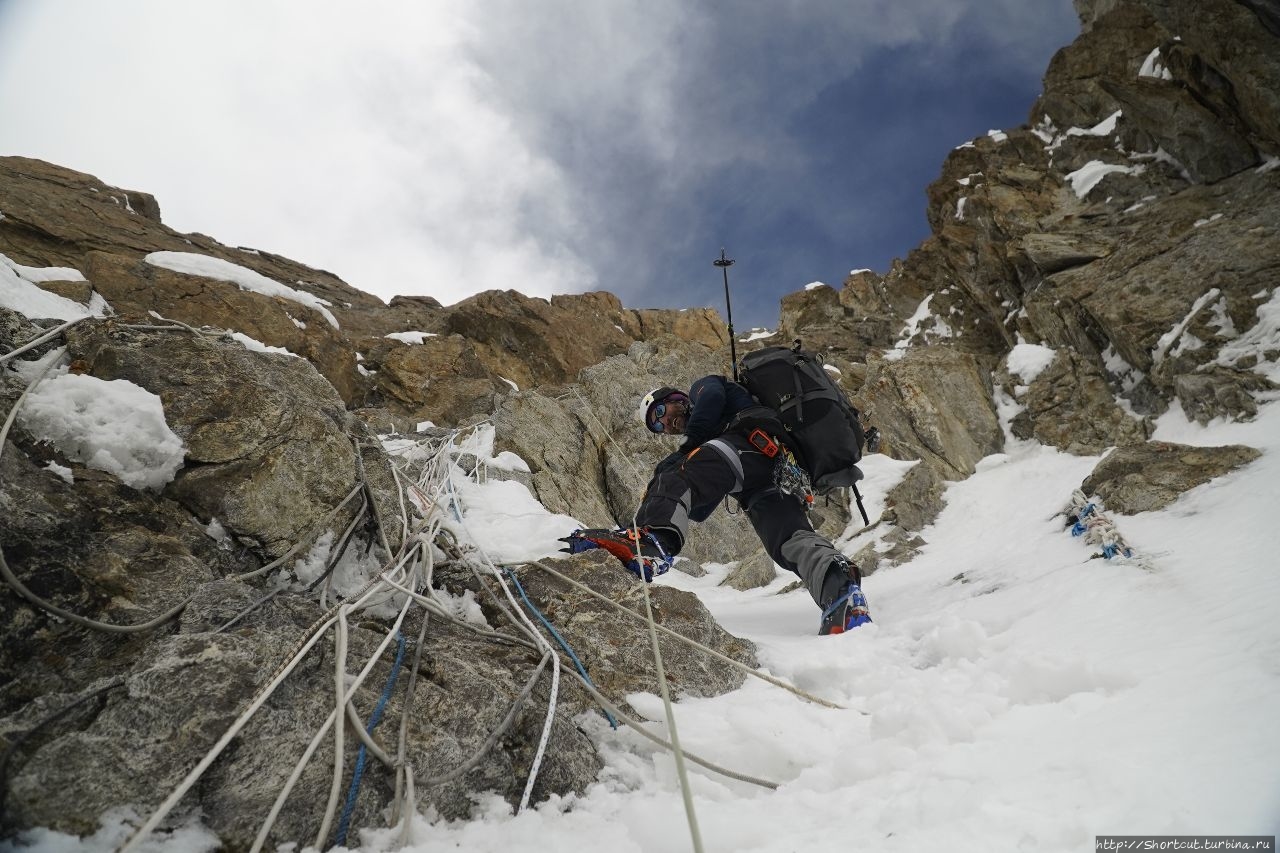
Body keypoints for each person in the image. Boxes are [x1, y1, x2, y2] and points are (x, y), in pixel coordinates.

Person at [561, 377, 871, 635]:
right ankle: (841, 592)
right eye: (657, 427)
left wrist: (682, 456)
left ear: (677, 397)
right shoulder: (704, 441)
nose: (664, 424)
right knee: (789, 542)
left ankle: (651, 542)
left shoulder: (702, 389)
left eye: (660, 412)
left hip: (748, 447)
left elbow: (711, 401)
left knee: (674, 475)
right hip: (766, 478)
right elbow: (699, 509)